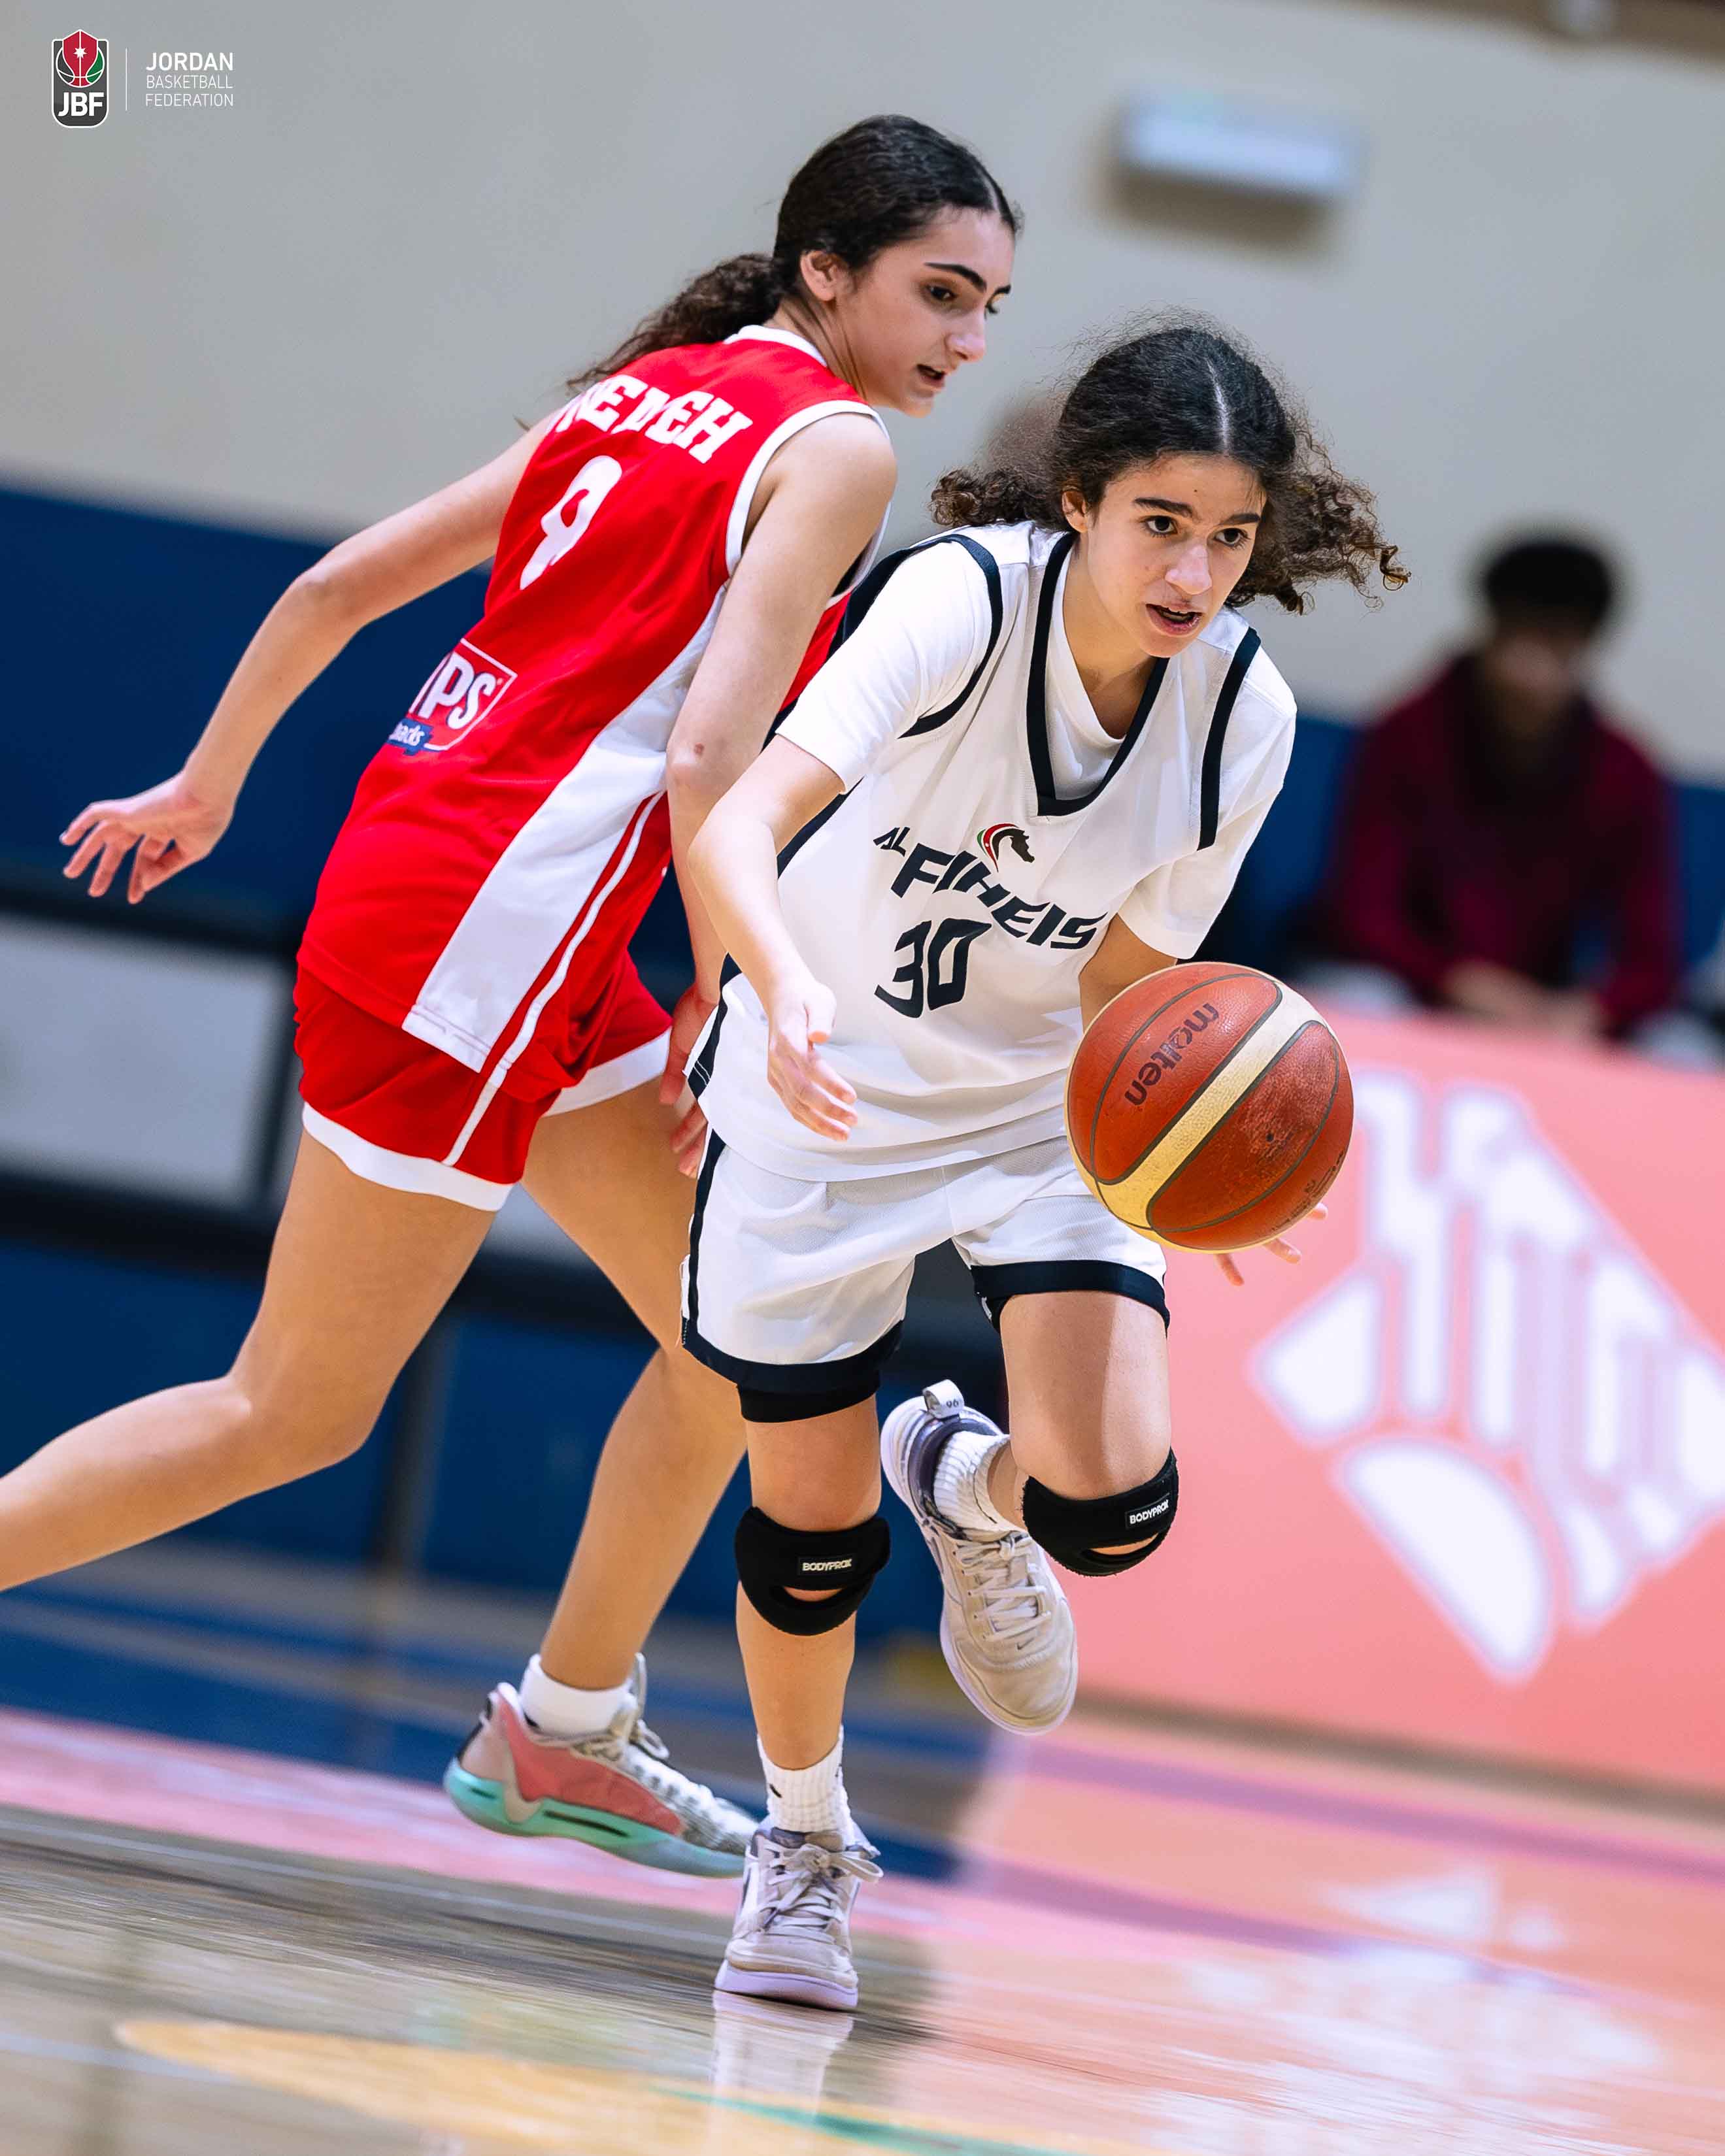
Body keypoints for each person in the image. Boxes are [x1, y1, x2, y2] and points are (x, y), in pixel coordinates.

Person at [5, 115, 1018, 1879]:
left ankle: (563, 1726)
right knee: (293, 1407)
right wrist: (723, 991)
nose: (968, 338)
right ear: (825, 270)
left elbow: (337, 584)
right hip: (491, 944)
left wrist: (209, 781)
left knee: (737, 1338)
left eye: (991, 305)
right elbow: (711, 756)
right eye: (941, 293)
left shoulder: (646, 390)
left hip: (455, 891)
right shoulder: (835, 445)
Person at [675, 319, 1403, 2006]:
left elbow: (1127, 981)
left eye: (1227, 535)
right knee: (807, 1536)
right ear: (1076, 499)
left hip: (1027, 1106)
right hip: (818, 1080)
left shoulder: (1237, 713)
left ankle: (964, 1481)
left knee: (1112, 1501)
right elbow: (733, 818)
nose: (1192, 571)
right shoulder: (955, 603)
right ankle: (799, 1842)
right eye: (1158, 523)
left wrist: (1194, 1147)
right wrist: (775, 985)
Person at [1311, 535, 1681, 1042]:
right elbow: (1360, 913)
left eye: (1553, 640)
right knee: (1356, 1000)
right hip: (1410, 985)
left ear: (1586, 643)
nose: (1525, 668)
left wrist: (1591, 1009)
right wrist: (1453, 979)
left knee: (1678, 1048)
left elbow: (1651, 959)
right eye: (1514, 633)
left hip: (1544, 1007)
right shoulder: (1407, 734)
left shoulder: (1625, 771)